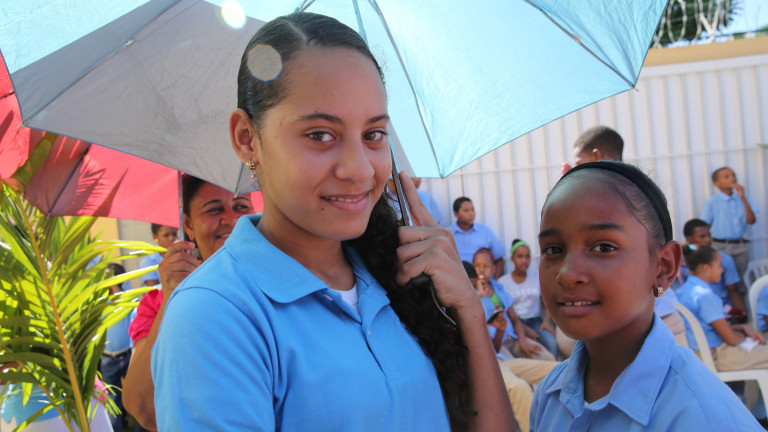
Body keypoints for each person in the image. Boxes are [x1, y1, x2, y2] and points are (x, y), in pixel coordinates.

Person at [151, 12, 514, 432]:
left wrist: (467, 307)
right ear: (247, 138)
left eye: (373, 134)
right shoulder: (216, 314)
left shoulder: (394, 275)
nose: (360, 170)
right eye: (320, 135)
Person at [531, 161, 762, 431]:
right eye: (553, 249)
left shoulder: (705, 419)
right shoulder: (549, 395)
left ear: (663, 267)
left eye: (603, 247)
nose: (567, 274)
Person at [122, 175, 255, 430]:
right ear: (188, 224)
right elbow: (144, 408)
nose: (231, 219)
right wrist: (172, 297)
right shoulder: (159, 302)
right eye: (214, 209)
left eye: (241, 206)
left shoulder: (282, 288)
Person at [463, 261, 557, 432]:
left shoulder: (489, 295)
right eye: (468, 287)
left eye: (473, 285)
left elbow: (494, 349)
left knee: (558, 369)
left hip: (499, 360)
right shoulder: (451, 311)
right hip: (482, 369)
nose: (472, 291)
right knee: (518, 387)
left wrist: (499, 330)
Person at [677, 244, 768, 372]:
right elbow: (732, 339)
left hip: (699, 354)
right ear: (705, 268)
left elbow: (707, 328)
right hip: (716, 355)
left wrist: (741, 328)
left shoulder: (683, 291)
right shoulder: (705, 295)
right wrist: (744, 336)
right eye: (719, 266)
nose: (722, 270)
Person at [474, 248, 556, 362]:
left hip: (513, 338)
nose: (481, 269)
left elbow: (514, 319)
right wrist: (478, 296)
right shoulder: (471, 292)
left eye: (486, 266)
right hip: (496, 344)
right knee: (513, 365)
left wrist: (522, 340)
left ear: (493, 269)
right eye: (477, 265)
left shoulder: (498, 288)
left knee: (548, 358)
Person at [497, 239, 558, 357]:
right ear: (512, 259)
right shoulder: (503, 282)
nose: (524, 260)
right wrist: (526, 330)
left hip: (535, 322)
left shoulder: (536, 276)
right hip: (515, 324)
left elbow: (547, 300)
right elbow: (506, 312)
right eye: (520, 256)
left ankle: (557, 369)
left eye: (527, 256)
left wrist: (546, 321)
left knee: (551, 343)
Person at [701, 166, 757, 289]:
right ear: (717, 183)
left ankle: (740, 301)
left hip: (740, 246)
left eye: (733, 175)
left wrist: (742, 197)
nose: (732, 178)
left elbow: (752, 220)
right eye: (726, 177)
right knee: (721, 280)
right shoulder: (713, 201)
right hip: (720, 246)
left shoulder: (743, 199)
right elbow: (705, 224)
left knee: (740, 281)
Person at [683, 218, 746, 316]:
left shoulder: (723, 259)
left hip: (721, 309)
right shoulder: (677, 262)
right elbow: (661, 289)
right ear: (705, 268)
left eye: (709, 235)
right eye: (702, 236)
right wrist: (661, 296)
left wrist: (741, 313)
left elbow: (733, 290)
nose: (708, 239)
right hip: (688, 311)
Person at [99, 263, 134, 432]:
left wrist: (116, 290)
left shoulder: (127, 297)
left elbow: (130, 307)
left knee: (135, 394)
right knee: (113, 400)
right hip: (108, 358)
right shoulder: (100, 302)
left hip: (127, 355)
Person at [452, 196, 505, 278]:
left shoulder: (485, 231)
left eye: (472, 210)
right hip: (456, 280)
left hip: (483, 281)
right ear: (456, 214)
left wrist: (495, 281)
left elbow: (499, 258)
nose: (471, 213)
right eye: (466, 210)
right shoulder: (447, 233)